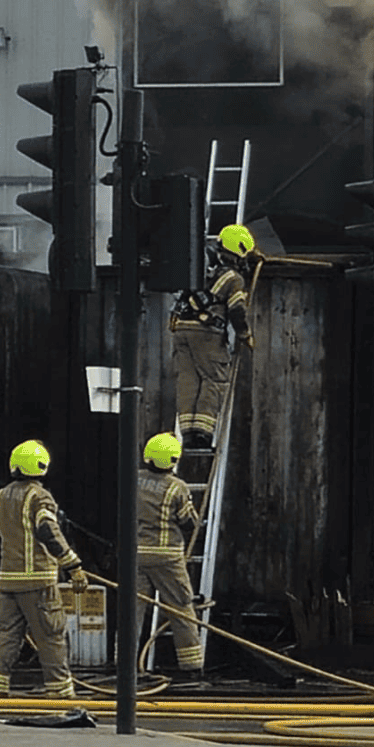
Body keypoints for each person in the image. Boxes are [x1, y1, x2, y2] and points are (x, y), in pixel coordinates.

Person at [0, 439, 89, 698]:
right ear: (42, 466)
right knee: (51, 634)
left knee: (6, 634)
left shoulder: (0, 496)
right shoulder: (39, 496)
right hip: (38, 581)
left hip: (8, 580)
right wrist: (73, 565)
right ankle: (60, 691)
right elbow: (48, 531)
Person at [170, 223, 256, 451]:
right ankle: (203, 435)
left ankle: (187, 435)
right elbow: (237, 310)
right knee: (214, 380)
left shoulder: (198, 269)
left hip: (181, 329)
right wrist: (245, 334)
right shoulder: (233, 278)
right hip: (206, 334)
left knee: (188, 381)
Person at [134, 432, 205, 674]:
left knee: (132, 612)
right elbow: (187, 522)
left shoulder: (133, 479)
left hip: (135, 555)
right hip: (167, 557)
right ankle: (192, 665)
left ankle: (124, 664)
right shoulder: (178, 488)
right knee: (181, 607)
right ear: (173, 460)